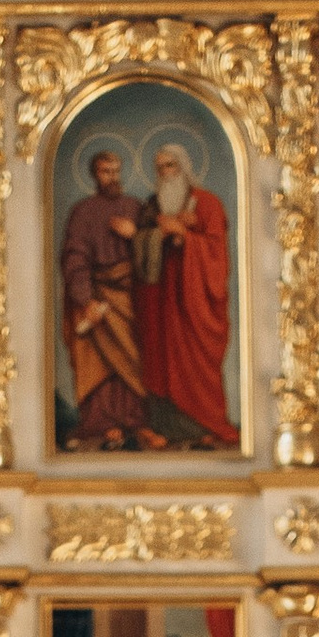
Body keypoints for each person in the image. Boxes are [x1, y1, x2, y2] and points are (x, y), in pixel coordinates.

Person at [134, 139, 238, 449]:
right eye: (160, 167)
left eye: (171, 165)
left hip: (195, 301)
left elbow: (217, 253)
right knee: (161, 360)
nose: (165, 172)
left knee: (196, 361)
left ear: (184, 168)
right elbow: (141, 246)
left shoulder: (206, 203)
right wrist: (156, 234)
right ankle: (167, 427)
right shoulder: (153, 206)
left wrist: (185, 237)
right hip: (162, 301)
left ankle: (203, 424)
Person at [60, 145, 160, 447]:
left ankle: (136, 422)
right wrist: (85, 298)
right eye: (106, 171)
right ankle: (103, 424)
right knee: (100, 360)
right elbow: (74, 257)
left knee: (132, 356)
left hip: (129, 293)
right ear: (95, 174)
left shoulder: (135, 207)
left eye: (116, 170)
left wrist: (136, 235)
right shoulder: (83, 212)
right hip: (98, 293)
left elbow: (155, 250)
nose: (112, 176)